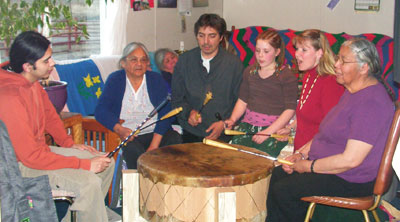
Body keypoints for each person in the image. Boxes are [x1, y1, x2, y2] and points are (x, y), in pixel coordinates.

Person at [266, 38, 395, 222]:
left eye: (343, 61)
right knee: (278, 175)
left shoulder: (371, 103)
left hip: (352, 178)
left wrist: (309, 167)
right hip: (333, 169)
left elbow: (351, 160)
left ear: (364, 68)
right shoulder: (351, 92)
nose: (336, 65)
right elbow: (325, 135)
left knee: (284, 190)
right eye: (337, 59)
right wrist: (301, 155)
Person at [0, 31, 115, 221]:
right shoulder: (10, 98)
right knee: (89, 182)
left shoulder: (32, 82)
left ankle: (87, 214)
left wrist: (68, 144)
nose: (52, 64)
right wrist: (83, 164)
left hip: (39, 153)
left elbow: (50, 115)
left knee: (105, 161)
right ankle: (92, 213)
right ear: (28, 66)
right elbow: (31, 158)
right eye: (46, 61)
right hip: (21, 165)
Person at [95, 42, 181, 169]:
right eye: (134, 60)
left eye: (143, 60)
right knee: (133, 150)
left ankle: (169, 184)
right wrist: (120, 129)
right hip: (130, 135)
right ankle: (141, 187)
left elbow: (166, 112)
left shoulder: (155, 79)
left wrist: (154, 146)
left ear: (147, 64)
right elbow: (101, 110)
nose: (139, 64)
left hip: (155, 133)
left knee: (175, 139)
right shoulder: (115, 79)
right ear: (123, 63)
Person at [171, 13, 244, 143]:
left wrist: (224, 123)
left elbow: (241, 101)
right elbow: (177, 99)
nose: (206, 42)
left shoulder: (233, 64)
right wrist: (188, 113)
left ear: (221, 37)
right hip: (191, 132)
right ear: (196, 36)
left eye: (212, 36)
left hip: (223, 133)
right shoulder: (184, 61)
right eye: (201, 36)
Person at [224, 30, 298, 157]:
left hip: (273, 128)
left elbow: (290, 110)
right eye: (257, 51)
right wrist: (233, 119)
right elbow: (242, 100)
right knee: (235, 156)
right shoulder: (250, 72)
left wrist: (268, 132)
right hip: (248, 125)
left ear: (277, 52)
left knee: (261, 159)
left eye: (266, 51)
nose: (260, 56)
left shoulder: (286, 76)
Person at [276, 29, 344, 151]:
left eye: (304, 50)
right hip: (300, 151)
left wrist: (302, 155)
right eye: (297, 49)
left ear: (319, 53)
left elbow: (330, 130)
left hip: (316, 154)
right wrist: (290, 128)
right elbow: (306, 116)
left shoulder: (331, 83)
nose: (297, 54)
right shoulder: (308, 75)